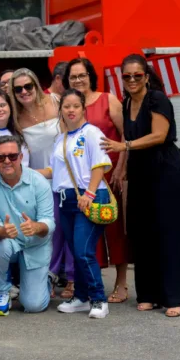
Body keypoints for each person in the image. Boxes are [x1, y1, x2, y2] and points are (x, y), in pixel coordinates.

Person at [100, 53, 180, 318]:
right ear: (122, 79)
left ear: (146, 77)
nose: (132, 80)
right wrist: (123, 166)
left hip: (164, 169)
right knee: (142, 231)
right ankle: (148, 293)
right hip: (139, 171)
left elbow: (159, 135)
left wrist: (123, 146)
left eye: (138, 75)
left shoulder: (157, 99)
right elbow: (129, 134)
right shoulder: (127, 103)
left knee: (167, 232)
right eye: (127, 76)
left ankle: (173, 297)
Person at [38, 89, 112, 319]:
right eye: (66, 106)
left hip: (87, 198)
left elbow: (99, 165)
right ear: (61, 110)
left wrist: (89, 194)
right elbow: (55, 170)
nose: (70, 110)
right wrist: (29, 173)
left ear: (83, 109)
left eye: (75, 106)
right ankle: (80, 297)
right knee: (75, 249)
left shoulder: (91, 133)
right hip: (65, 200)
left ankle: (98, 298)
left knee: (83, 250)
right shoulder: (61, 138)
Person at [63, 58, 128, 303]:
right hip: (82, 179)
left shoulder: (107, 99)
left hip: (110, 173)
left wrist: (121, 167)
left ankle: (121, 283)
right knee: (87, 233)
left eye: (82, 75)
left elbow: (125, 135)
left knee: (115, 229)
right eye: (73, 77)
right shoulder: (69, 105)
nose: (78, 80)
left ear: (91, 76)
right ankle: (88, 283)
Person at [0, 136, 54, 316]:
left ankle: (45, 281)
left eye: (12, 156)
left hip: (35, 245)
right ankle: (2, 290)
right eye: (0, 157)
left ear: (21, 157)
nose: (6, 161)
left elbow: (49, 221)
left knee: (34, 306)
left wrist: (36, 227)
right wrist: (1, 231)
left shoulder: (39, 182)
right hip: (8, 242)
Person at [7, 68, 65, 296]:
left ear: (36, 85)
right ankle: (47, 277)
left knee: (63, 229)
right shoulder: (15, 116)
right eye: (18, 88)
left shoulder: (56, 102)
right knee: (45, 230)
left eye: (28, 86)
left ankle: (66, 277)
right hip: (37, 179)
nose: (24, 91)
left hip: (62, 175)